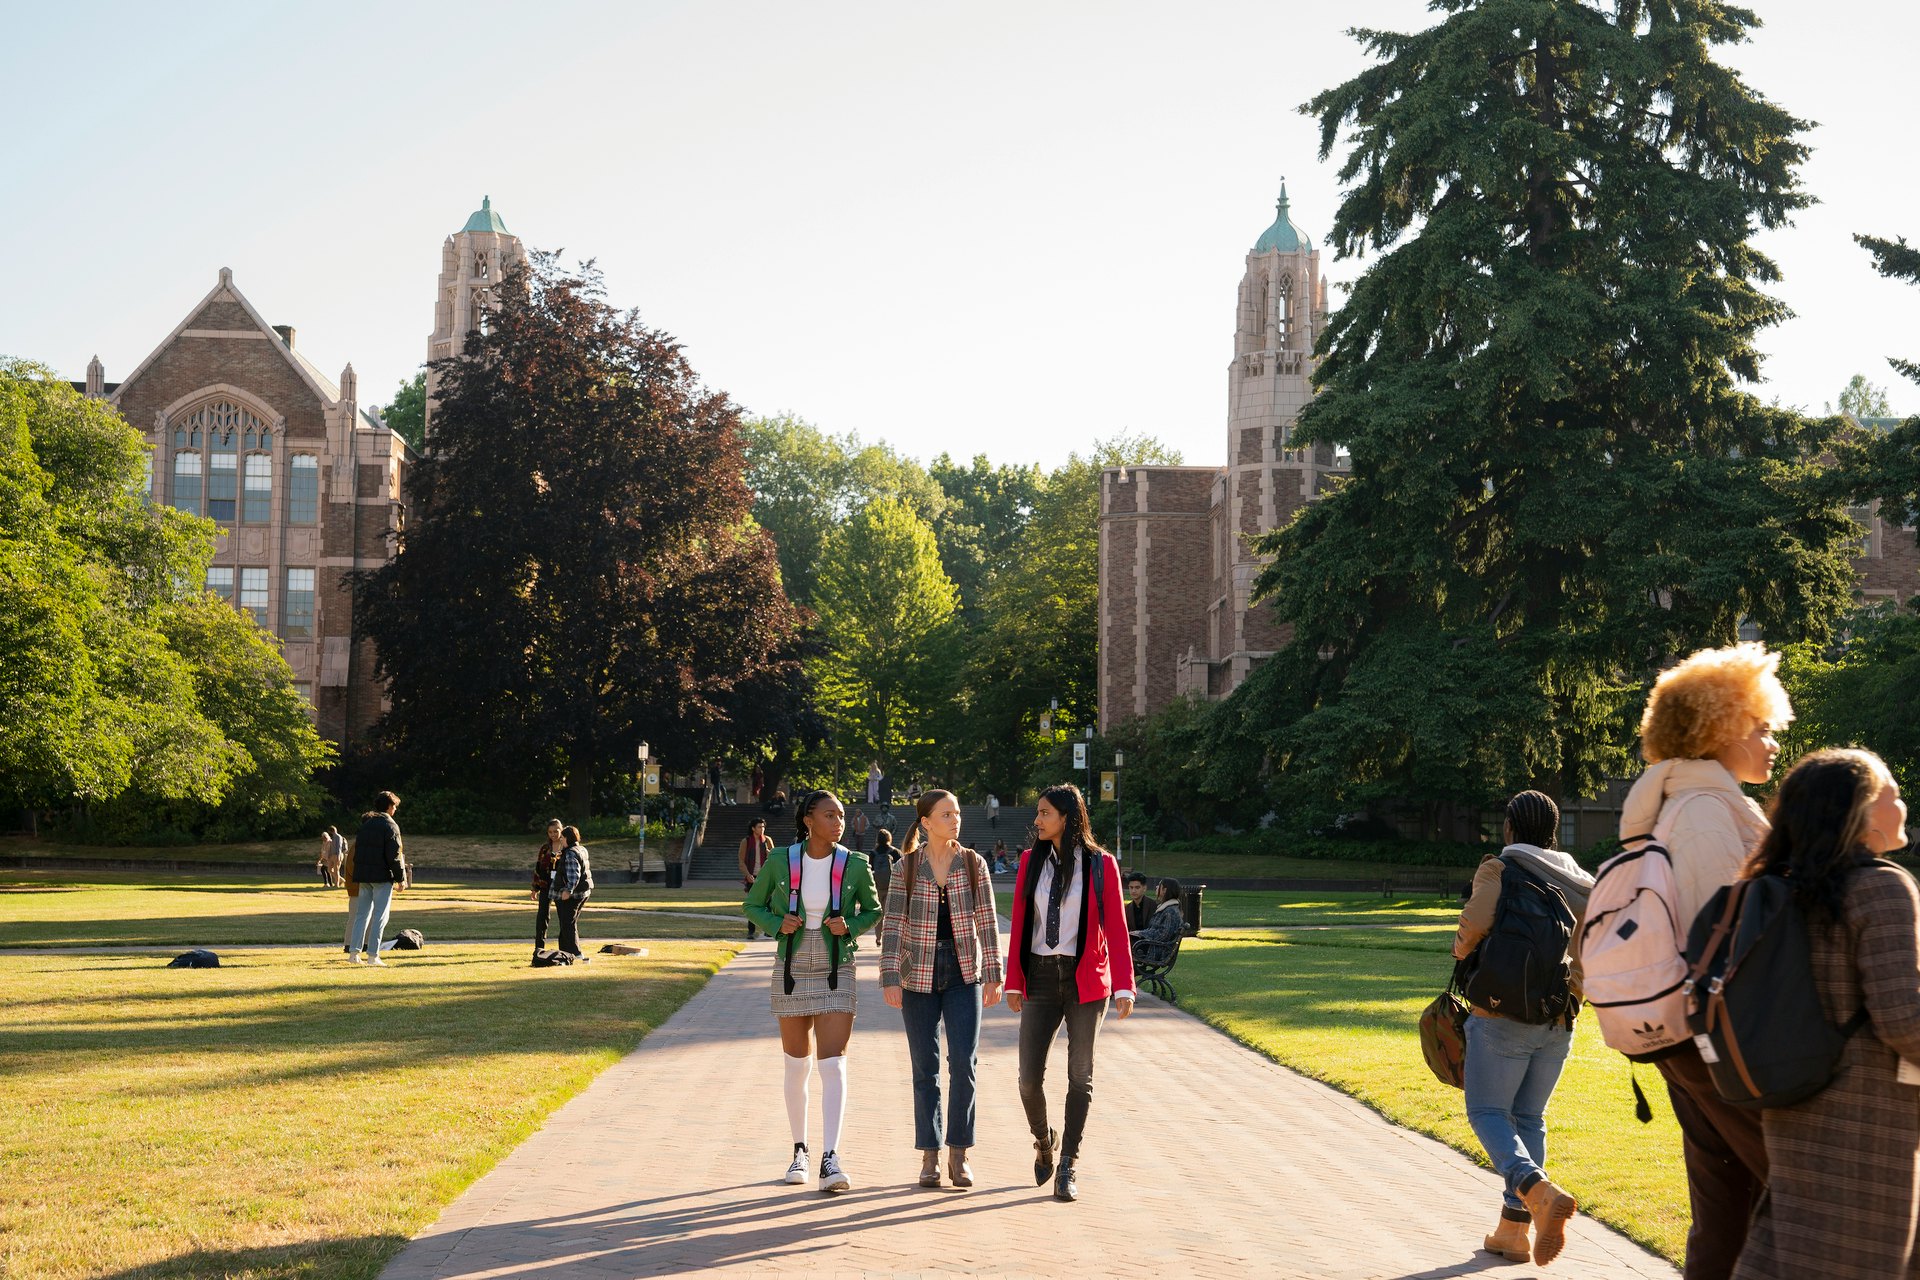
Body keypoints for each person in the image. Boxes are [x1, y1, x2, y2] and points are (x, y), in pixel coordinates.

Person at [1616, 643, 1789, 1280]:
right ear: (1721, 728)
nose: (1772, 742)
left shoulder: (1695, 805)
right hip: (1715, 1041)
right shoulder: (1705, 814)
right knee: (1798, 1195)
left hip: (1693, 1038)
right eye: (1762, 727)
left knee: (1725, 1208)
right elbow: (1727, 944)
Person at [1731, 749, 1915, 1280]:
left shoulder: (1784, 887)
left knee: (1787, 1252)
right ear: (1858, 812)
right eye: (1893, 794)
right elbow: (1904, 1021)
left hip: (1796, 1104)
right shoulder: (1882, 887)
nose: (1902, 805)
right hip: (1869, 1123)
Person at [1452, 792, 1595, 1268]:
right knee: (1529, 1118)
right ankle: (1513, 1233)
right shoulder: (1584, 882)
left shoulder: (1501, 869)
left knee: (1488, 1111)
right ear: (1554, 830)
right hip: (1560, 1018)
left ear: (1511, 828)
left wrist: (1462, 952)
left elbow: (1472, 927)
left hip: (1500, 1016)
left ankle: (1533, 1187)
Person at [742, 790, 883, 1194]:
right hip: (791, 963)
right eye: (830, 815)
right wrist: (777, 923)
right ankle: (800, 1151)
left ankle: (831, 1158)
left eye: (841, 815)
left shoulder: (854, 864)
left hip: (837, 964)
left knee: (833, 1062)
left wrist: (851, 927)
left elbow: (874, 910)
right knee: (796, 1063)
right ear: (808, 820)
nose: (839, 822)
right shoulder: (780, 860)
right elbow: (752, 905)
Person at [1005, 782, 1134, 1203]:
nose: (1037, 820)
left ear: (1067, 817)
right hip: (1040, 977)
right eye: (1038, 812)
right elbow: (1021, 924)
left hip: (1085, 981)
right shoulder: (1029, 862)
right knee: (1027, 1079)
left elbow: (1116, 927)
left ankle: (1068, 1166)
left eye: (1045, 813)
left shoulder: (1101, 865)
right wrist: (1014, 980)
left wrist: (1124, 986)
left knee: (1080, 1075)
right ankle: (1044, 1141)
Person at [880, 790, 1004, 1189]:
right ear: (926, 822)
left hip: (964, 972)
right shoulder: (906, 868)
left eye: (957, 814)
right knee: (924, 1068)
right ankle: (929, 1157)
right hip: (917, 974)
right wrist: (889, 976)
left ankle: (959, 1154)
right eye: (946, 814)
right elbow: (894, 923)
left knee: (964, 1064)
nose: (955, 820)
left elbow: (987, 919)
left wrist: (993, 973)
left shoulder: (973, 863)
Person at [346, 791, 407, 966]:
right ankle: (373, 955)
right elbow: (394, 856)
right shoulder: (391, 826)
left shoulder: (366, 825)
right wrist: (400, 878)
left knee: (361, 915)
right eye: (394, 806)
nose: (395, 809)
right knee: (380, 916)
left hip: (364, 876)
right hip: (381, 877)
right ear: (389, 806)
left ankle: (354, 953)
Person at [552, 825, 594, 961]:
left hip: (571, 894)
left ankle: (575, 953)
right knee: (568, 923)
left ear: (568, 838)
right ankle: (564, 951)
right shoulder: (581, 849)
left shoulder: (570, 853)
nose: (561, 840)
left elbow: (574, 875)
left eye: (562, 838)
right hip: (583, 892)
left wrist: (568, 890)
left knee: (568, 923)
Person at [1129, 877, 1185, 969]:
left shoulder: (1170, 911)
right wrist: (1137, 933)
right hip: (1154, 948)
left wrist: (1140, 933)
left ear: (1164, 890)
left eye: (1159, 886)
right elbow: (1155, 930)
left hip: (1157, 952)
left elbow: (1163, 935)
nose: (1156, 887)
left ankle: (1122, 978)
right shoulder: (1166, 909)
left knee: (1121, 947)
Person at [530, 819, 564, 957]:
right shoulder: (545, 848)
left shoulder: (567, 847)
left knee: (564, 917)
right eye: (550, 832)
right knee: (542, 916)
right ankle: (539, 948)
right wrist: (535, 888)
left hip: (561, 887)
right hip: (545, 885)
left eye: (556, 831)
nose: (553, 834)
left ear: (561, 830)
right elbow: (538, 867)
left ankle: (565, 947)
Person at [740, 817, 774, 940]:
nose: (762, 829)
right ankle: (751, 931)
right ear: (753, 828)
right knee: (753, 904)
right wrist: (747, 874)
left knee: (769, 904)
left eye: (763, 827)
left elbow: (774, 858)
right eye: (759, 827)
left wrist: (770, 853)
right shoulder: (746, 842)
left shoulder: (767, 840)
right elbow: (741, 861)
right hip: (752, 877)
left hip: (765, 876)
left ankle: (768, 929)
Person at [871, 827, 897, 914]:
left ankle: (879, 928)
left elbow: (869, 869)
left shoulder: (873, 853)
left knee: (879, 912)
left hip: (877, 886)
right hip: (892, 886)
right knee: (890, 912)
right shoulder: (894, 852)